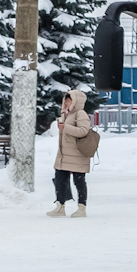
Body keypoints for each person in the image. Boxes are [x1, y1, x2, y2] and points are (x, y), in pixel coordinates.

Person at [48, 89, 94, 218]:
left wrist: (65, 128)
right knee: (59, 179)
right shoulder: (65, 114)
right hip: (64, 154)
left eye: (70, 100)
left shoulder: (80, 114)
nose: (67, 102)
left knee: (79, 181)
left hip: (77, 154)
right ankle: (60, 206)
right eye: (66, 100)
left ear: (76, 101)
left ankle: (81, 207)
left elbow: (83, 131)